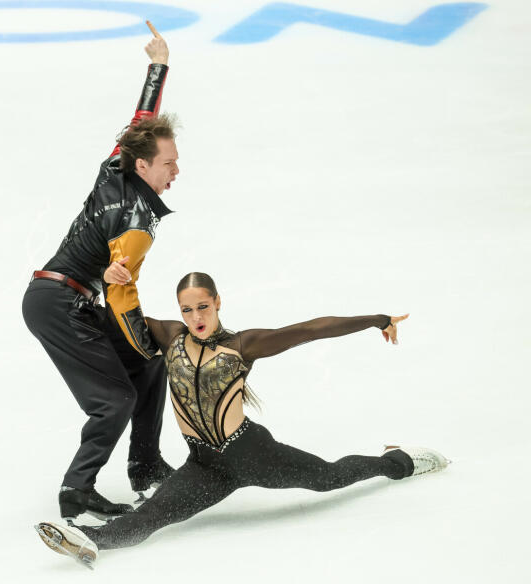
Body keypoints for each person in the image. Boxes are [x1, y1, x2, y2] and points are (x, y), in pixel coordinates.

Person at [34, 272, 451, 569]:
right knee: (154, 515)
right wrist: (111, 282)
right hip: (204, 465)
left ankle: (400, 462)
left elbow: (311, 329)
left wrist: (377, 320)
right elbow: (119, 317)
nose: (196, 316)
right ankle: (91, 541)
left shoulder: (242, 346)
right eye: (187, 309)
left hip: (253, 454)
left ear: (217, 303)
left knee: (329, 477)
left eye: (203, 306)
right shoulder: (170, 337)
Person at [22, 22, 179, 523]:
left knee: (148, 367)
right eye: (169, 164)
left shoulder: (117, 165)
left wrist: (158, 67)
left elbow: (141, 122)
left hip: (61, 296)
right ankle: (77, 490)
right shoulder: (137, 223)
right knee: (115, 398)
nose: (176, 171)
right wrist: (144, 338)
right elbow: (122, 296)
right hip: (60, 304)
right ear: (144, 167)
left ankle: (146, 466)